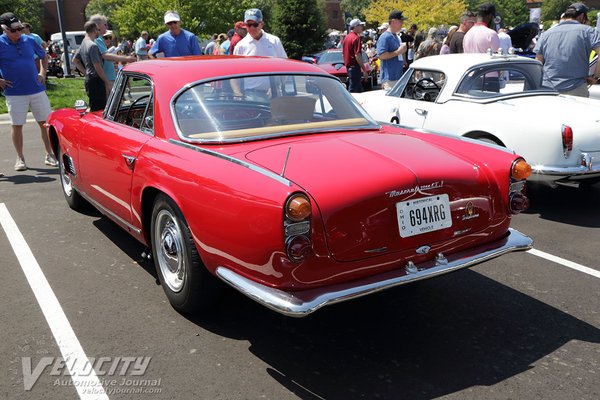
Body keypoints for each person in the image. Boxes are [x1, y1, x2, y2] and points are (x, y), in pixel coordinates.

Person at [0, 12, 57, 172]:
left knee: (45, 124)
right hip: (14, 93)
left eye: (19, 28)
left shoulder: (29, 40)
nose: (18, 32)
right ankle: (20, 158)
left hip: (37, 90)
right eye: (14, 30)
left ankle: (49, 154)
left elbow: (43, 56)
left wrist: (43, 73)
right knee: (17, 125)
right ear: (4, 29)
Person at [534, 3, 600, 97]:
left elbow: (538, 62)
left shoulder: (546, 34)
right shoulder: (588, 31)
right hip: (576, 87)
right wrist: (595, 77)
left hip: (548, 88)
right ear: (582, 16)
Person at [89, 14, 135, 95]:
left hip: (109, 76)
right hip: (107, 77)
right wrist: (126, 58)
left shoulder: (98, 39)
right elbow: (105, 56)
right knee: (112, 104)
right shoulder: (98, 40)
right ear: (97, 26)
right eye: (105, 24)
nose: (107, 27)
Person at [74, 21, 110, 112]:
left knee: (94, 107)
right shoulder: (93, 46)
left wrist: (86, 73)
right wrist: (107, 81)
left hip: (90, 80)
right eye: (98, 30)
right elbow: (97, 66)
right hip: (96, 81)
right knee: (100, 110)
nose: (98, 32)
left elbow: (75, 60)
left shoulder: (83, 43)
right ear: (94, 30)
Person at [376, 11, 408, 90]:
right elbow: (381, 55)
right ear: (393, 22)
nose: (402, 23)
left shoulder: (396, 36)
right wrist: (398, 52)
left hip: (397, 78)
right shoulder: (385, 37)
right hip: (389, 79)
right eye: (400, 21)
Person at [343, 18, 369, 93]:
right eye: (360, 25)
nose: (362, 27)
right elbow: (357, 55)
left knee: (358, 90)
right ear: (355, 26)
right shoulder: (356, 38)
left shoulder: (347, 37)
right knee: (353, 91)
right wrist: (364, 70)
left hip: (349, 67)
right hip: (354, 68)